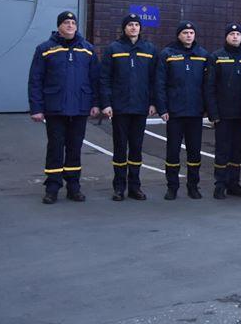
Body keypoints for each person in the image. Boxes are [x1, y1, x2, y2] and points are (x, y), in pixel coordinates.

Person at [28, 11, 101, 204]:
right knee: (55, 147)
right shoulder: (45, 49)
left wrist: (95, 104)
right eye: (66, 22)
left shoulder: (87, 49)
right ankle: (52, 188)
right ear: (59, 26)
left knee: (75, 148)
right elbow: (35, 80)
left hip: (80, 108)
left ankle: (73, 187)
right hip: (55, 108)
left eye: (73, 22)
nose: (70, 25)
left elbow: (95, 79)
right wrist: (36, 107)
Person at [99, 13, 157, 201]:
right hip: (120, 107)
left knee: (136, 149)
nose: (133, 28)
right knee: (120, 148)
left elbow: (154, 79)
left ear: (140, 28)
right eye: (130, 25)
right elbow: (105, 78)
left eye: (136, 25)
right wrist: (106, 103)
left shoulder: (149, 49)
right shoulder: (114, 48)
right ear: (124, 28)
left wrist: (153, 102)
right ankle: (119, 187)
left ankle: (135, 187)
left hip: (140, 107)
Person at [155, 21, 209, 200]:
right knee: (172, 152)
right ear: (178, 35)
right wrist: (162, 108)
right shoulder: (167, 54)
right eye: (185, 32)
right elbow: (160, 84)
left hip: (195, 112)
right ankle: (172, 187)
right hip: (175, 112)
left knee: (194, 153)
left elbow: (207, 85)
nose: (188, 35)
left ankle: (193, 186)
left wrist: (207, 109)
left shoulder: (202, 55)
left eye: (191, 32)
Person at [205, 23, 241, 200]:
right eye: (232, 34)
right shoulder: (216, 57)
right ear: (226, 37)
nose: (235, 37)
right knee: (222, 150)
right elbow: (209, 87)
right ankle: (220, 184)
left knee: (237, 150)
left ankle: (234, 183)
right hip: (223, 114)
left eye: (237, 34)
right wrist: (213, 113)